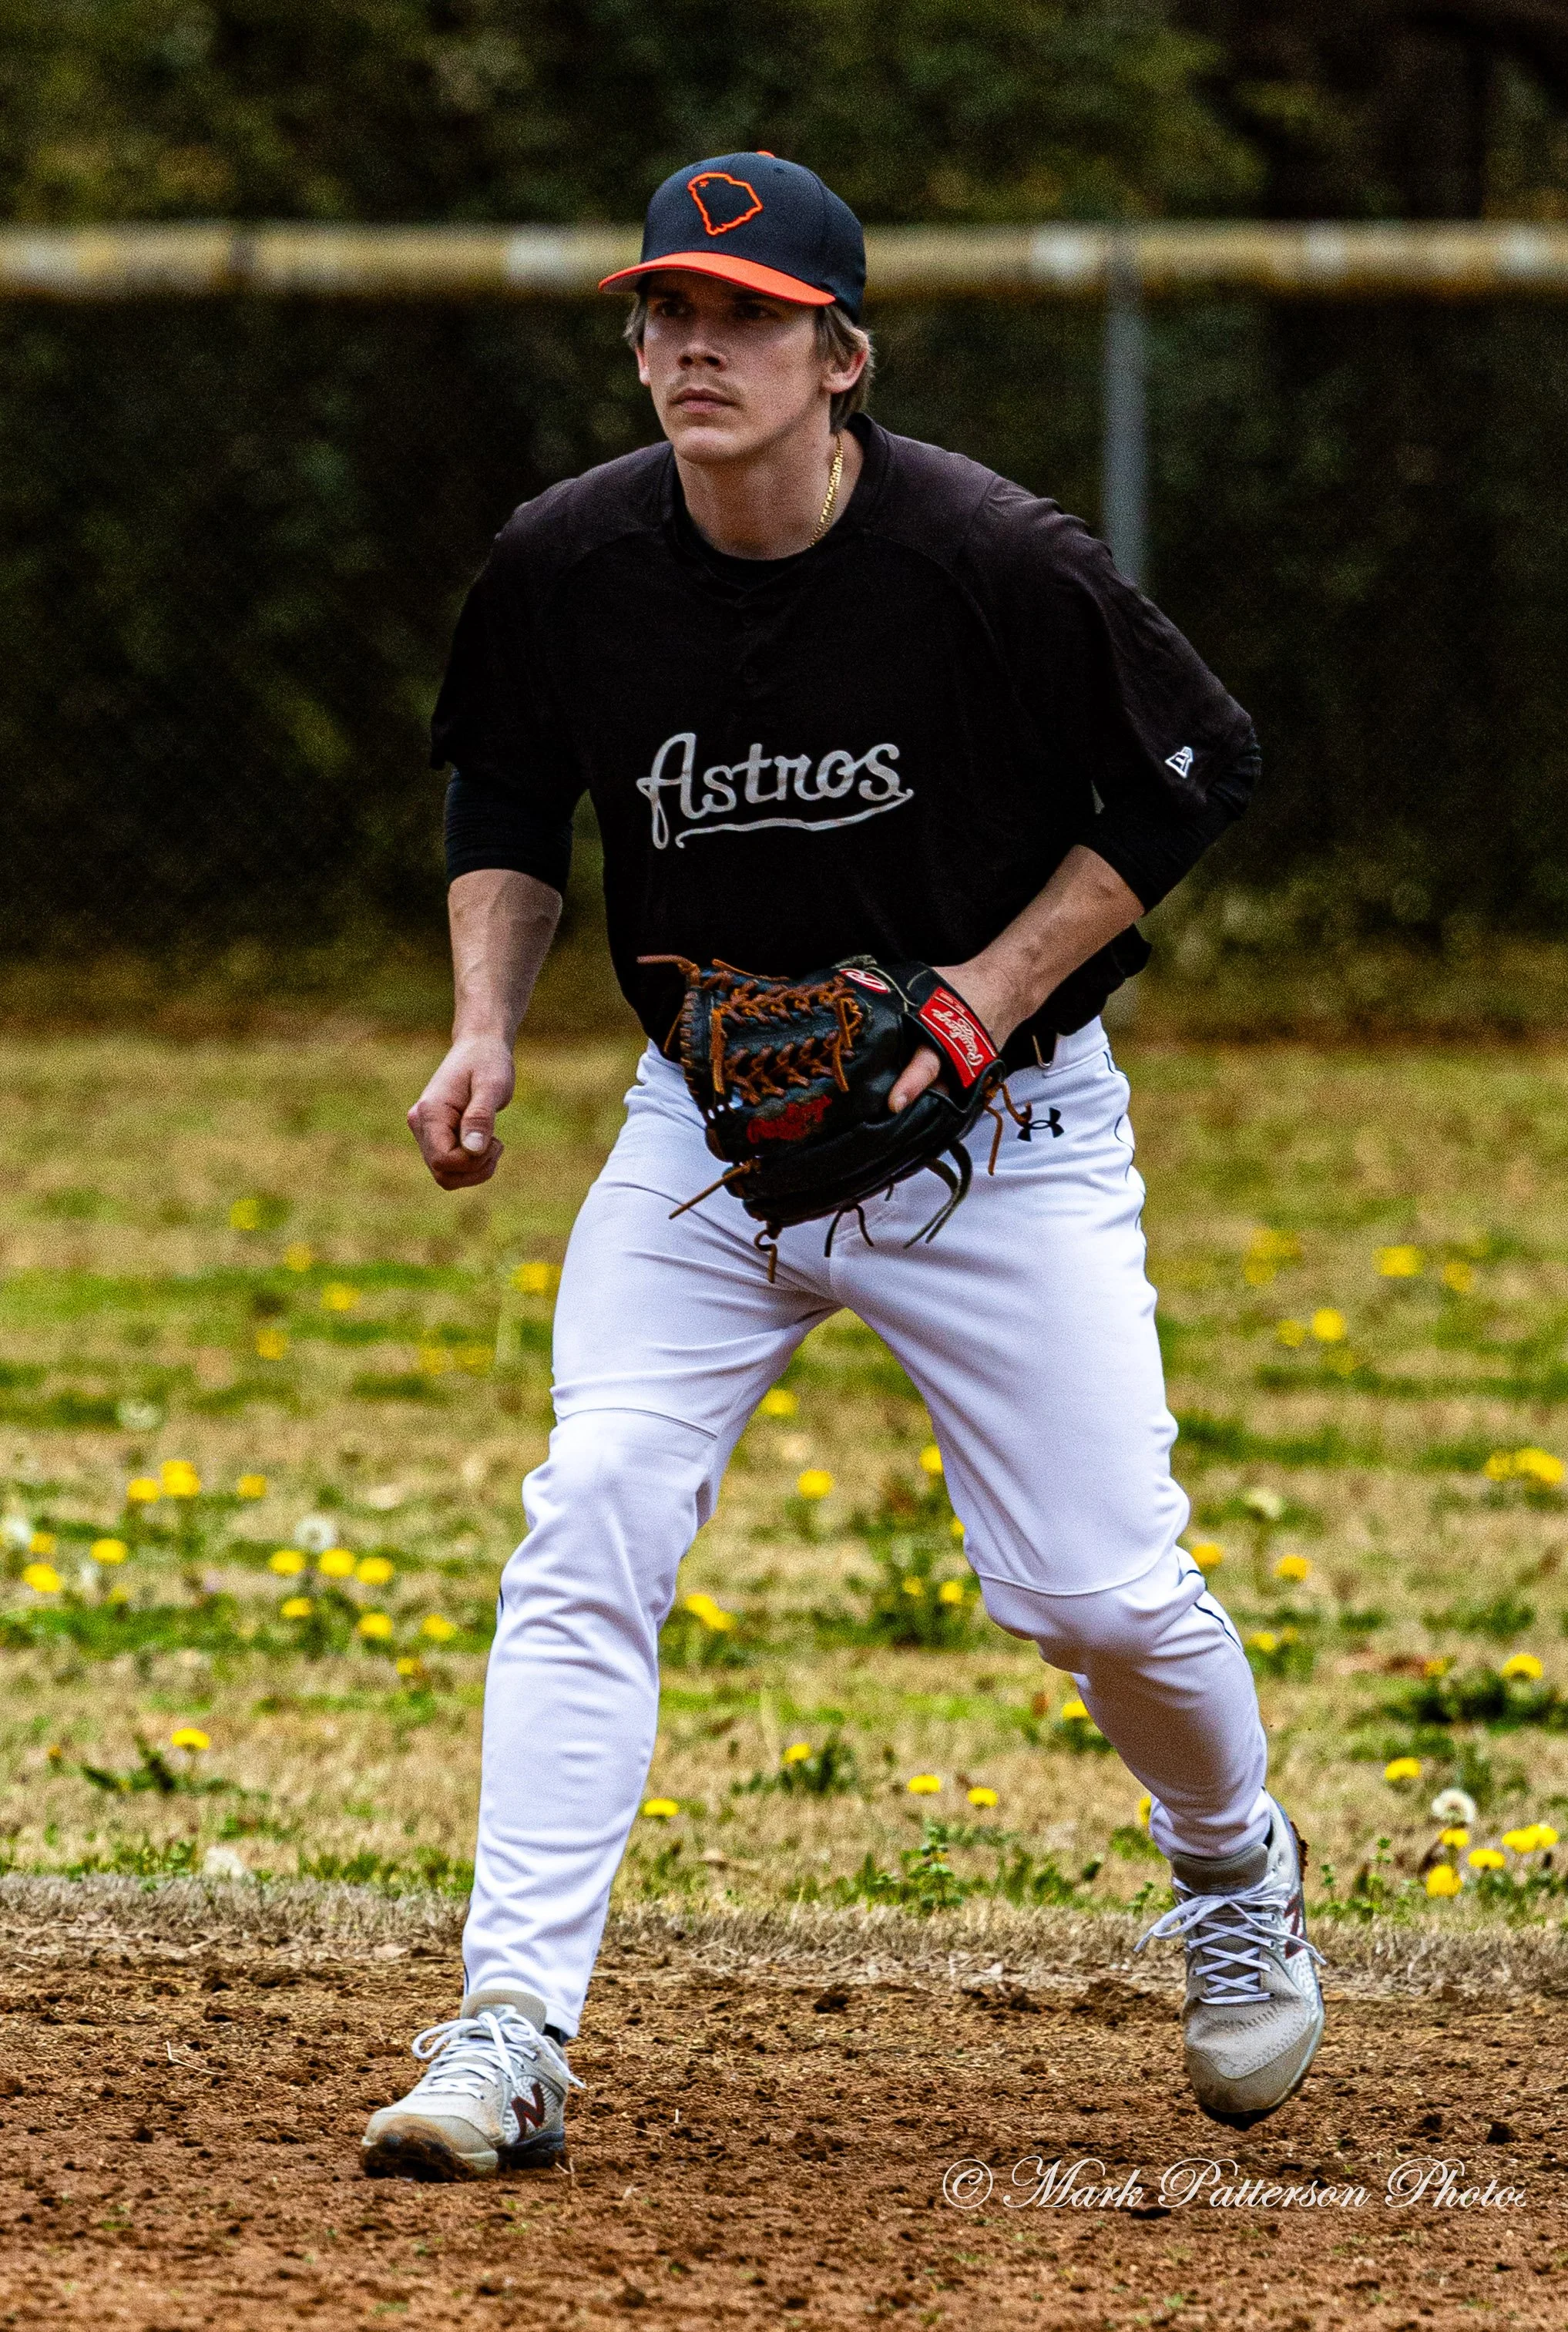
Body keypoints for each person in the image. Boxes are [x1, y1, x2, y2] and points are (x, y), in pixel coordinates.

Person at [363, 153, 1323, 2183]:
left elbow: (1192, 763)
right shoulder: (571, 563)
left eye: (746, 315)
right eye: (665, 311)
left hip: (1005, 1140)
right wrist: (480, 1022)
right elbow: (509, 791)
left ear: (842, 358)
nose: (695, 346)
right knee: (593, 1509)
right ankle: (510, 2026)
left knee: (1095, 1595)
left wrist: (983, 996)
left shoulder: (988, 559)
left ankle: (1232, 1863)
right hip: (705, 1138)